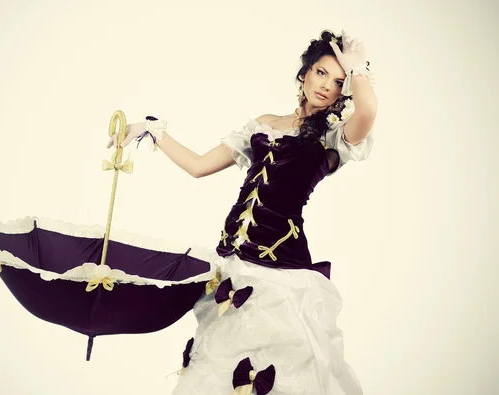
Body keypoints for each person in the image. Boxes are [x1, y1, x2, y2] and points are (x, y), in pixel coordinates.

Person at [107, 29, 376, 395]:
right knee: (220, 370)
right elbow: (199, 165)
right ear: (305, 74)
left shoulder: (334, 137)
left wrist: (358, 67)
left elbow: (369, 110)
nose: (327, 85)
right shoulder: (263, 123)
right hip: (234, 263)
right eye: (322, 73)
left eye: (339, 81)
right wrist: (152, 131)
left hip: (281, 273)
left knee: (271, 373)